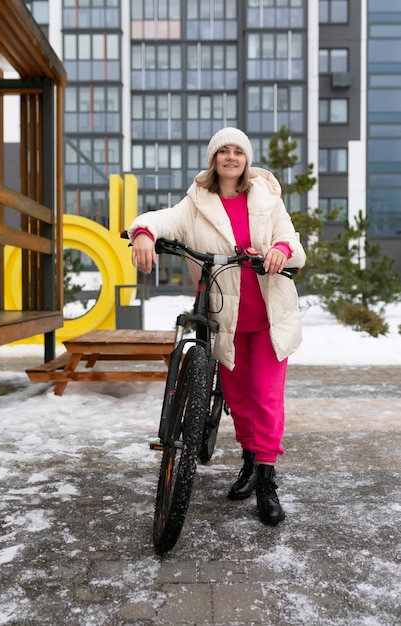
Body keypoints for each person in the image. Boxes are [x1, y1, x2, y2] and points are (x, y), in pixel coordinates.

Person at [127, 127, 306, 526]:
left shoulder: (267, 198)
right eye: (222, 151)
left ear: (246, 159)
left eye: (237, 151)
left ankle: (266, 480)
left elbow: (292, 242)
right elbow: (163, 219)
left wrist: (279, 250)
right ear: (214, 159)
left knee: (265, 397)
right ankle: (248, 463)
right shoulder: (196, 202)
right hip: (225, 319)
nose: (230, 157)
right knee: (240, 401)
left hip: (268, 318)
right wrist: (143, 233)